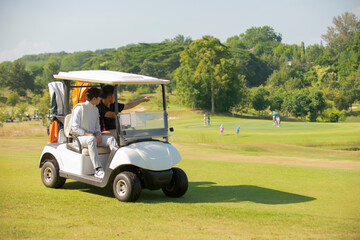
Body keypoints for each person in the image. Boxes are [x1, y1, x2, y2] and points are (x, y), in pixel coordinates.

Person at [72, 87, 118, 179]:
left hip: (93, 137)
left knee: (111, 139)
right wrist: (91, 135)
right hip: (80, 138)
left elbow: (97, 126)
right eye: (99, 98)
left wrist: (98, 133)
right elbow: (75, 128)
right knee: (91, 139)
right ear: (94, 99)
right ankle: (98, 169)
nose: (100, 100)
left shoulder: (95, 109)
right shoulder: (80, 108)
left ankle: (116, 166)